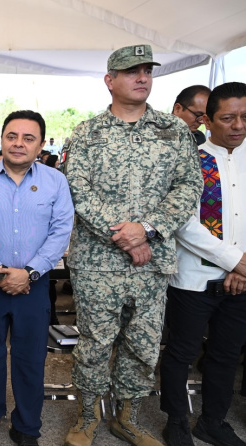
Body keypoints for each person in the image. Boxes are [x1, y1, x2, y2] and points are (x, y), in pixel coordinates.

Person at [62, 45, 202, 446]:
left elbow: (189, 185)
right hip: (98, 261)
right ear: (110, 81)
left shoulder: (173, 131)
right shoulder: (87, 132)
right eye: (130, 72)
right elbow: (78, 188)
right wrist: (123, 234)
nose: (141, 77)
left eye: (146, 70)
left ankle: (128, 418)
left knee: (142, 344)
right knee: (94, 341)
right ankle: (86, 417)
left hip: (151, 262)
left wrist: (148, 230)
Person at [0, 110, 73, 446]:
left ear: (41, 145)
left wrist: (29, 272)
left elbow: (60, 231)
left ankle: (27, 426)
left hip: (35, 284)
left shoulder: (55, 181)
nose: (19, 143)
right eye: (12, 136)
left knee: (31, 359)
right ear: (1, 139)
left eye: (29, 138)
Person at [160, 82, 246, 446]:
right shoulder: (191, 161)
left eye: (244, 117)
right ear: (207, 121)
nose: (238, 125)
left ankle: (213, 420)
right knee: (181, 352)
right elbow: (182, 223)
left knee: (225, 355)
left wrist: (240, 269)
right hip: (193, 279)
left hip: (241, 280)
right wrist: (236, 260)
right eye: (228, 118)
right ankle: (177, 419)